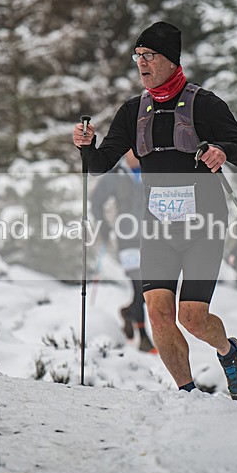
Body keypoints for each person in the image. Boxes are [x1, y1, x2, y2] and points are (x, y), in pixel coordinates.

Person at [72, 21, 237, 400]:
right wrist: (87, 146)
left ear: (171, 60)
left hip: (203, 227)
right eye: (137, 56)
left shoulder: (205, 105)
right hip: (157, 228)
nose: (141, 63)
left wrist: (222, 151)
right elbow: (99, 165)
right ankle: (188, 394)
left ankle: (229, 352)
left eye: (149, 56)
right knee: (158, 313)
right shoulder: (132, 111)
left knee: (192, 317)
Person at [90, 150, 156, 353]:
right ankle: (143, 336)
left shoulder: (153, 169)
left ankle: (129, 312)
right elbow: (96, 201)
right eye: (131, 149)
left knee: (148, 287)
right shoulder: (116, 175)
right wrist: (103, 225)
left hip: (152, 237)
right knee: (139, 284)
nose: (136, 152)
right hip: (127, 238)